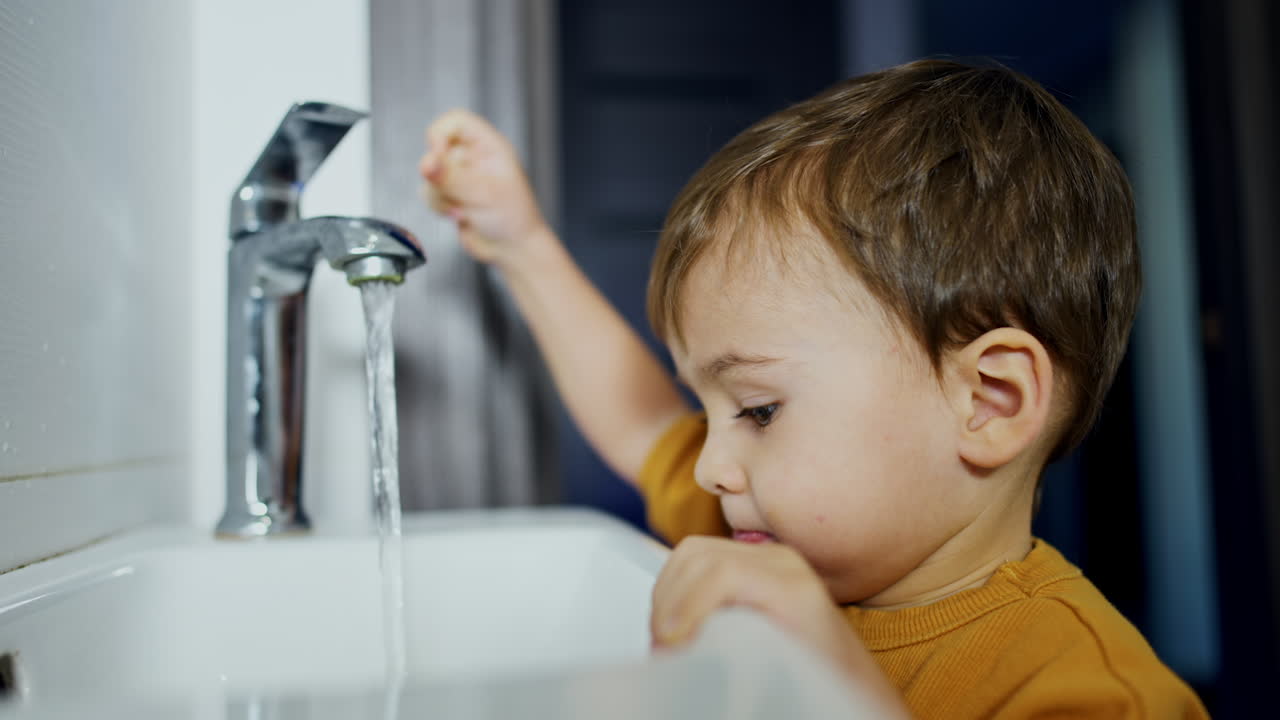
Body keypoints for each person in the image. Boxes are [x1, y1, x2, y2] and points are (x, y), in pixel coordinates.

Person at [419, 59, 1208, 718]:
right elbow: (639, 424)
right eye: (712, 410)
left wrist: (840, 689)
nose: (707, 467)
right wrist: (522, 246)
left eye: (758, 410)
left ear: (988, 402)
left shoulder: (1094, 693)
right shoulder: (766, 534)